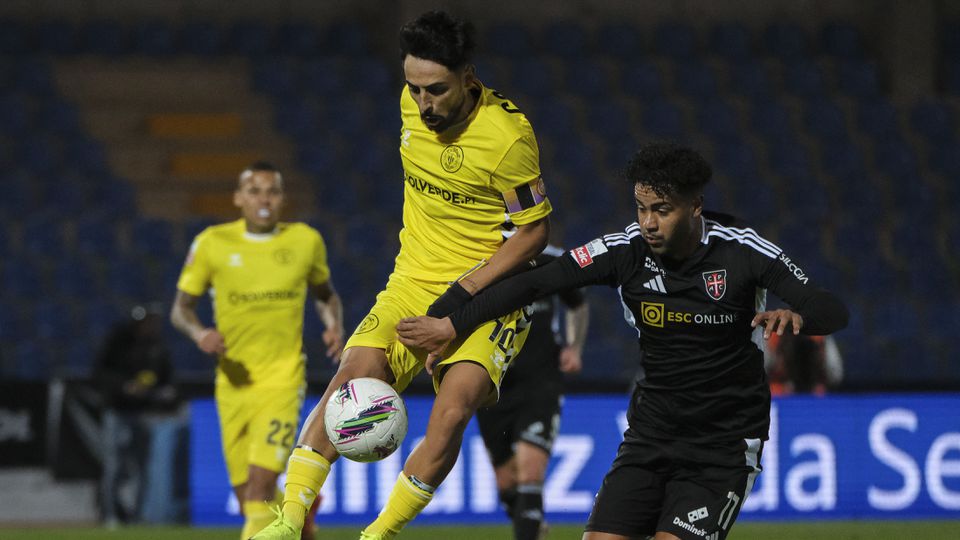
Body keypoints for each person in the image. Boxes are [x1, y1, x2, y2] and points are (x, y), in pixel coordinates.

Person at [397, 142, 849, 540]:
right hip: (650, 436)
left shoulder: (743, 251)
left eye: (662, 210)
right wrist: (451, 324)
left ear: (695, 206)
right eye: (640, 207)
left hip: (722, 445)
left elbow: (831, 308)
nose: (648, 222)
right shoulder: (624, 251)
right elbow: (533, 282)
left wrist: (799, 315)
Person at [253, 10, 552, 540]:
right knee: (350, 378)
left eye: (435, 90)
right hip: (412, 281)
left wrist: (464, 296)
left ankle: (380, 533)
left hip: (488, 293)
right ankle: (288, 520)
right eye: (413, 88)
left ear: (468, 77)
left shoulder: (507, 137)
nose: (422, 103)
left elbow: (534, 233)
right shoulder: (410, 105)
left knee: (454, 407)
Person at [171, 161, 344, 540]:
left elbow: (325, 295)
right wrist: (200, 335)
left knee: (258, 487)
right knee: (249, 497)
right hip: (232, 383)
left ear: (283, 199)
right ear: (238, 198)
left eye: (272, 191)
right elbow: (180, 309)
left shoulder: (304, 241)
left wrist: (334, 325)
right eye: (255, 191)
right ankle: (302, 517)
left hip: (283, 378)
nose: (264, 199)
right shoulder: (212, 243)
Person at [475, 240, 590, 540]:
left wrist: (574, 347)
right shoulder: (477, 256)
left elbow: (577, 303)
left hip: (541, 378)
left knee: (530, 470)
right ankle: (532, 527)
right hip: (493, 382)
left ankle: (528, 532)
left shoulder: (549, 258)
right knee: (505, 482)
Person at [95, 302, 179, 526]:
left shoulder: (157, 346)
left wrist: (163, 392)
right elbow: (101, 373)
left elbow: (167, 378)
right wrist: (124, 386)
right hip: (118, 411)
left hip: (143, 413)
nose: (150, 326)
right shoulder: (118, 343)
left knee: (143, 467)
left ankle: (137, 517)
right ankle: (110, 515)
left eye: (152, 322)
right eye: (146, 322)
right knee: (114, 465)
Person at [765, 332, 843, 395]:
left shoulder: (820, 334)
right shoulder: (773, 334)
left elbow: (835, 375)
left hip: (814, 388)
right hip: (780, 388)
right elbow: (761, 373)